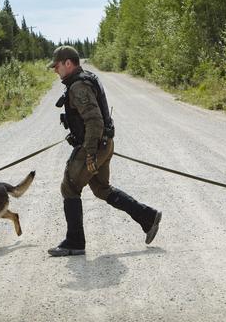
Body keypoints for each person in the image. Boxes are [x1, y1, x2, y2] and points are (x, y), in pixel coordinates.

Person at [47, 45, 162, 256]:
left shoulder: (78, 86)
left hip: (94, 145)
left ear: (68, 63)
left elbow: (94, 120)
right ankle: (147, 216)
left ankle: (74, 242)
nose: (55, 70)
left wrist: (89, 152)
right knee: (101, 189)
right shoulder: (85, 79)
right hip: (104, 144)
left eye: (57, 66)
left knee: (69, 187)